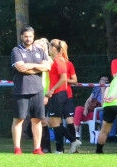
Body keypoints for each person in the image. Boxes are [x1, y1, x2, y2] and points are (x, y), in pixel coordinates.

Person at [11, 26, 51, 155]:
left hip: (38, 89)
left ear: (33, 37)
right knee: (19, 119)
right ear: (21, 37)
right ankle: (17, 149)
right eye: (26, 36)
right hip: (21, 89)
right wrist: (38, 68)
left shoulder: (40, 50)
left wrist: (31, 65)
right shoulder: (16, 50)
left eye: (30, 36)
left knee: (37, 120)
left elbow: (47, 67)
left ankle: (37, 148)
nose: (28, 39)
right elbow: (20, 68)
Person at [47, 39, 82, 153]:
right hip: (58, 94)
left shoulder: (59, 61)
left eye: (49, 46)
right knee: (54, 122)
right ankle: (60, 149)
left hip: (59, 94)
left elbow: (63, 79)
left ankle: (73, 141)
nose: (48, 49)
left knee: (54, 122)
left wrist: (52, 89)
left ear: (53, 48)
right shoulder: (55, 60)